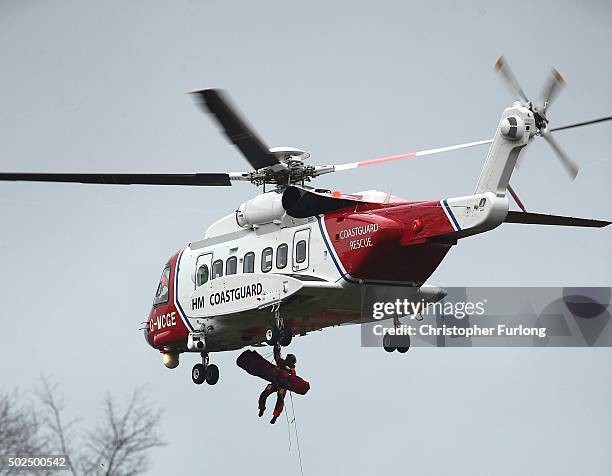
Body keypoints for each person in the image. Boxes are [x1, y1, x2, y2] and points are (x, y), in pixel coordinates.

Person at [258, 344, 297, 424]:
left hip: (283, 386)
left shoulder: (292, 371)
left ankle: (275, 416)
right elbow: (277, 356)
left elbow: (293, 379)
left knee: (280, 399)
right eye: (286, 358)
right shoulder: (281, 362)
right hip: (275, 382)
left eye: (288, 359)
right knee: (264, 393)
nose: (286, 359)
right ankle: (262, 408)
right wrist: (277, 347)